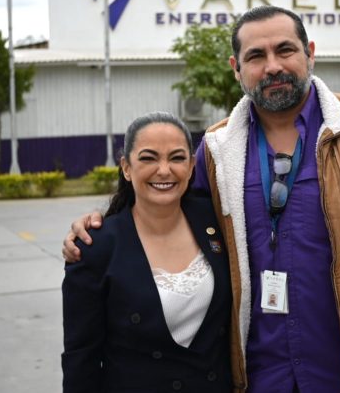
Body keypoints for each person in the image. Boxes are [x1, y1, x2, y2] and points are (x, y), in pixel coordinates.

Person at [64, 6, 340, 393]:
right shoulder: (216, 149)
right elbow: (164, 209)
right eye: (256, 56)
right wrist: (99, 224)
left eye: (285, 50)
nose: (272, 66)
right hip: (259, 374)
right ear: (237, 68)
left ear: (310, 54)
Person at [61, 112, 232, 392]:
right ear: (126, 167)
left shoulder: (216, 221)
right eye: (148, 158)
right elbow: (81, 356)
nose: (164, 170)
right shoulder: (97, 246)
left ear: (191, 167)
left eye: (176, 158)